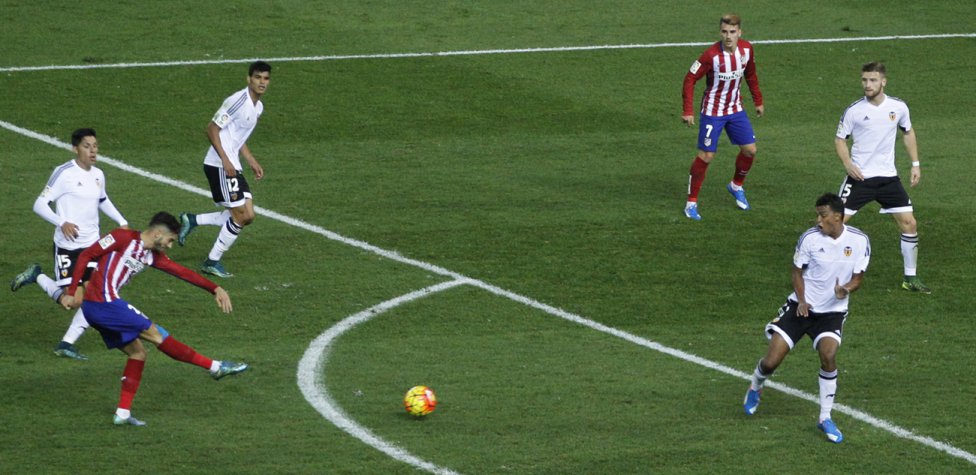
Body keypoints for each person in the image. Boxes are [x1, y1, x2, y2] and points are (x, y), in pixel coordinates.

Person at [61, 212, 248, 426]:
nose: (169, 246)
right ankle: (215, 367)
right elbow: (86, 255)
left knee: (138, 353)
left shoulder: (151, 255)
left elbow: (182, 272)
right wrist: (71, 290)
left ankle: (122, 414)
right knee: (158, 335)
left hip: (100, 308)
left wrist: (214, 288)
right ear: (158, 233)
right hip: (105, 303)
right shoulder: (122, 238)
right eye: (169, 240)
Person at [742, 193, 870, 444]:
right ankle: (756, 385)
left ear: (837, 216)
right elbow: (797, 272)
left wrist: (845, 290)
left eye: (823, 215)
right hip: (801, 308)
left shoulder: (859, 240)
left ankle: (825, 417)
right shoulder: (809, 239)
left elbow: (858, 277)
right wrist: (801, 300)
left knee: (829, 355)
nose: (818, 220)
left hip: (832, 313)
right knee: (771, 362)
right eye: (817, 215)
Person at [10, 128, 129, 360]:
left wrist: (121, 221)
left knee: (93, 295)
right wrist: (61, 221)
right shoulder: (63, 173)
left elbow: (102, 200)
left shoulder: (98, 175)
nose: (93, 151)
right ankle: (38, 276)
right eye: (87, 146)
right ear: (75, 148)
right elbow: (39, 204)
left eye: (95, 146)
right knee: (71, 301)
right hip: (67, 247)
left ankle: (66, 343)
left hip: (93, 246)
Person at [835, 61, 929, 293]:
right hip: (860, 179)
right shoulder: (854, 110)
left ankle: (910, 278)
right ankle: (813, 267)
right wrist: (848, 164)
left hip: (888, 179)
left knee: (909, 223)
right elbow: (840, 139)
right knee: (833, 223)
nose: (867, 85)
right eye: (865, 80)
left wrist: (915, 164)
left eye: (873, 80)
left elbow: (907, 132)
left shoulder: (898, 107)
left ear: (883, 82)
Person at [178, 60, 272, 278]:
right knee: (240, 215)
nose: (262, 82)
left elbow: (238, 137)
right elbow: (211, 129)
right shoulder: (238, 101)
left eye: (266, 78)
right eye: (257, 77)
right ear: (249, 79)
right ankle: (211, 261)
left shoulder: (258, 107)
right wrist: (226, 160)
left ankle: (193, 220)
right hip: (219, 165)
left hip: (232, 164)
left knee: (247, 215)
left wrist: (250, 159)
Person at [681, 13, 765, 221]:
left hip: (735, 109)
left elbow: (751, 75)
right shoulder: (711, 56)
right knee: (706, 156)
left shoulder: (746, 50)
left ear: (740, 32)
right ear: (720, 32)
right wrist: (688, 110)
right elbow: (690, 78)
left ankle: (736, 185)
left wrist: (758, 100)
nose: (728, 36)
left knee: (750, 150)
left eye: (732, 32)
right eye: (725, 32)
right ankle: (691, 203)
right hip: (712, 112)